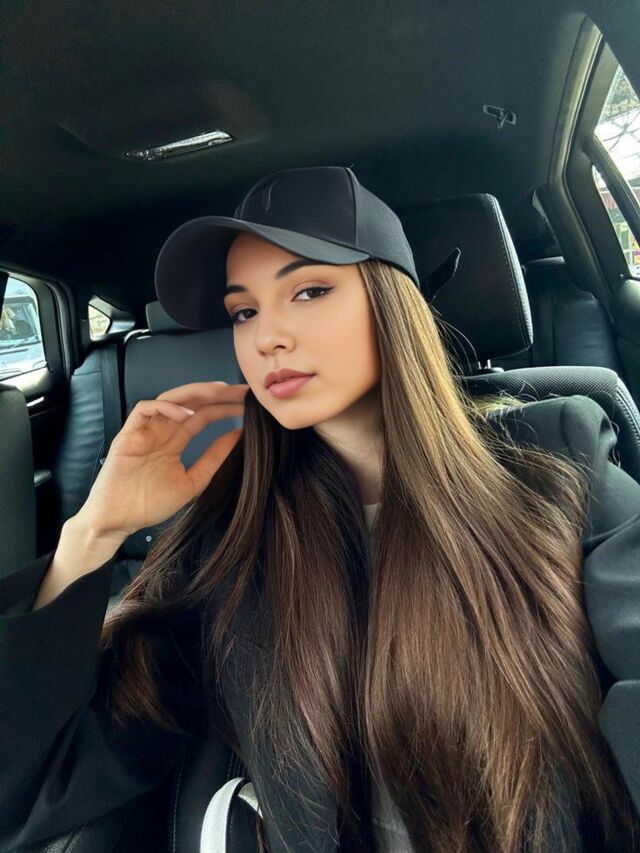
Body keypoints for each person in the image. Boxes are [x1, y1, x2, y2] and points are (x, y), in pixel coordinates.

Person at [1, 165, 639, 852]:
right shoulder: (230, 540)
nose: (266, 337)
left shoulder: (558, 457)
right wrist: (97, 528)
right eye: (244, 312)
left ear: (391, 304)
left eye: (308, 290)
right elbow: (30, 786)